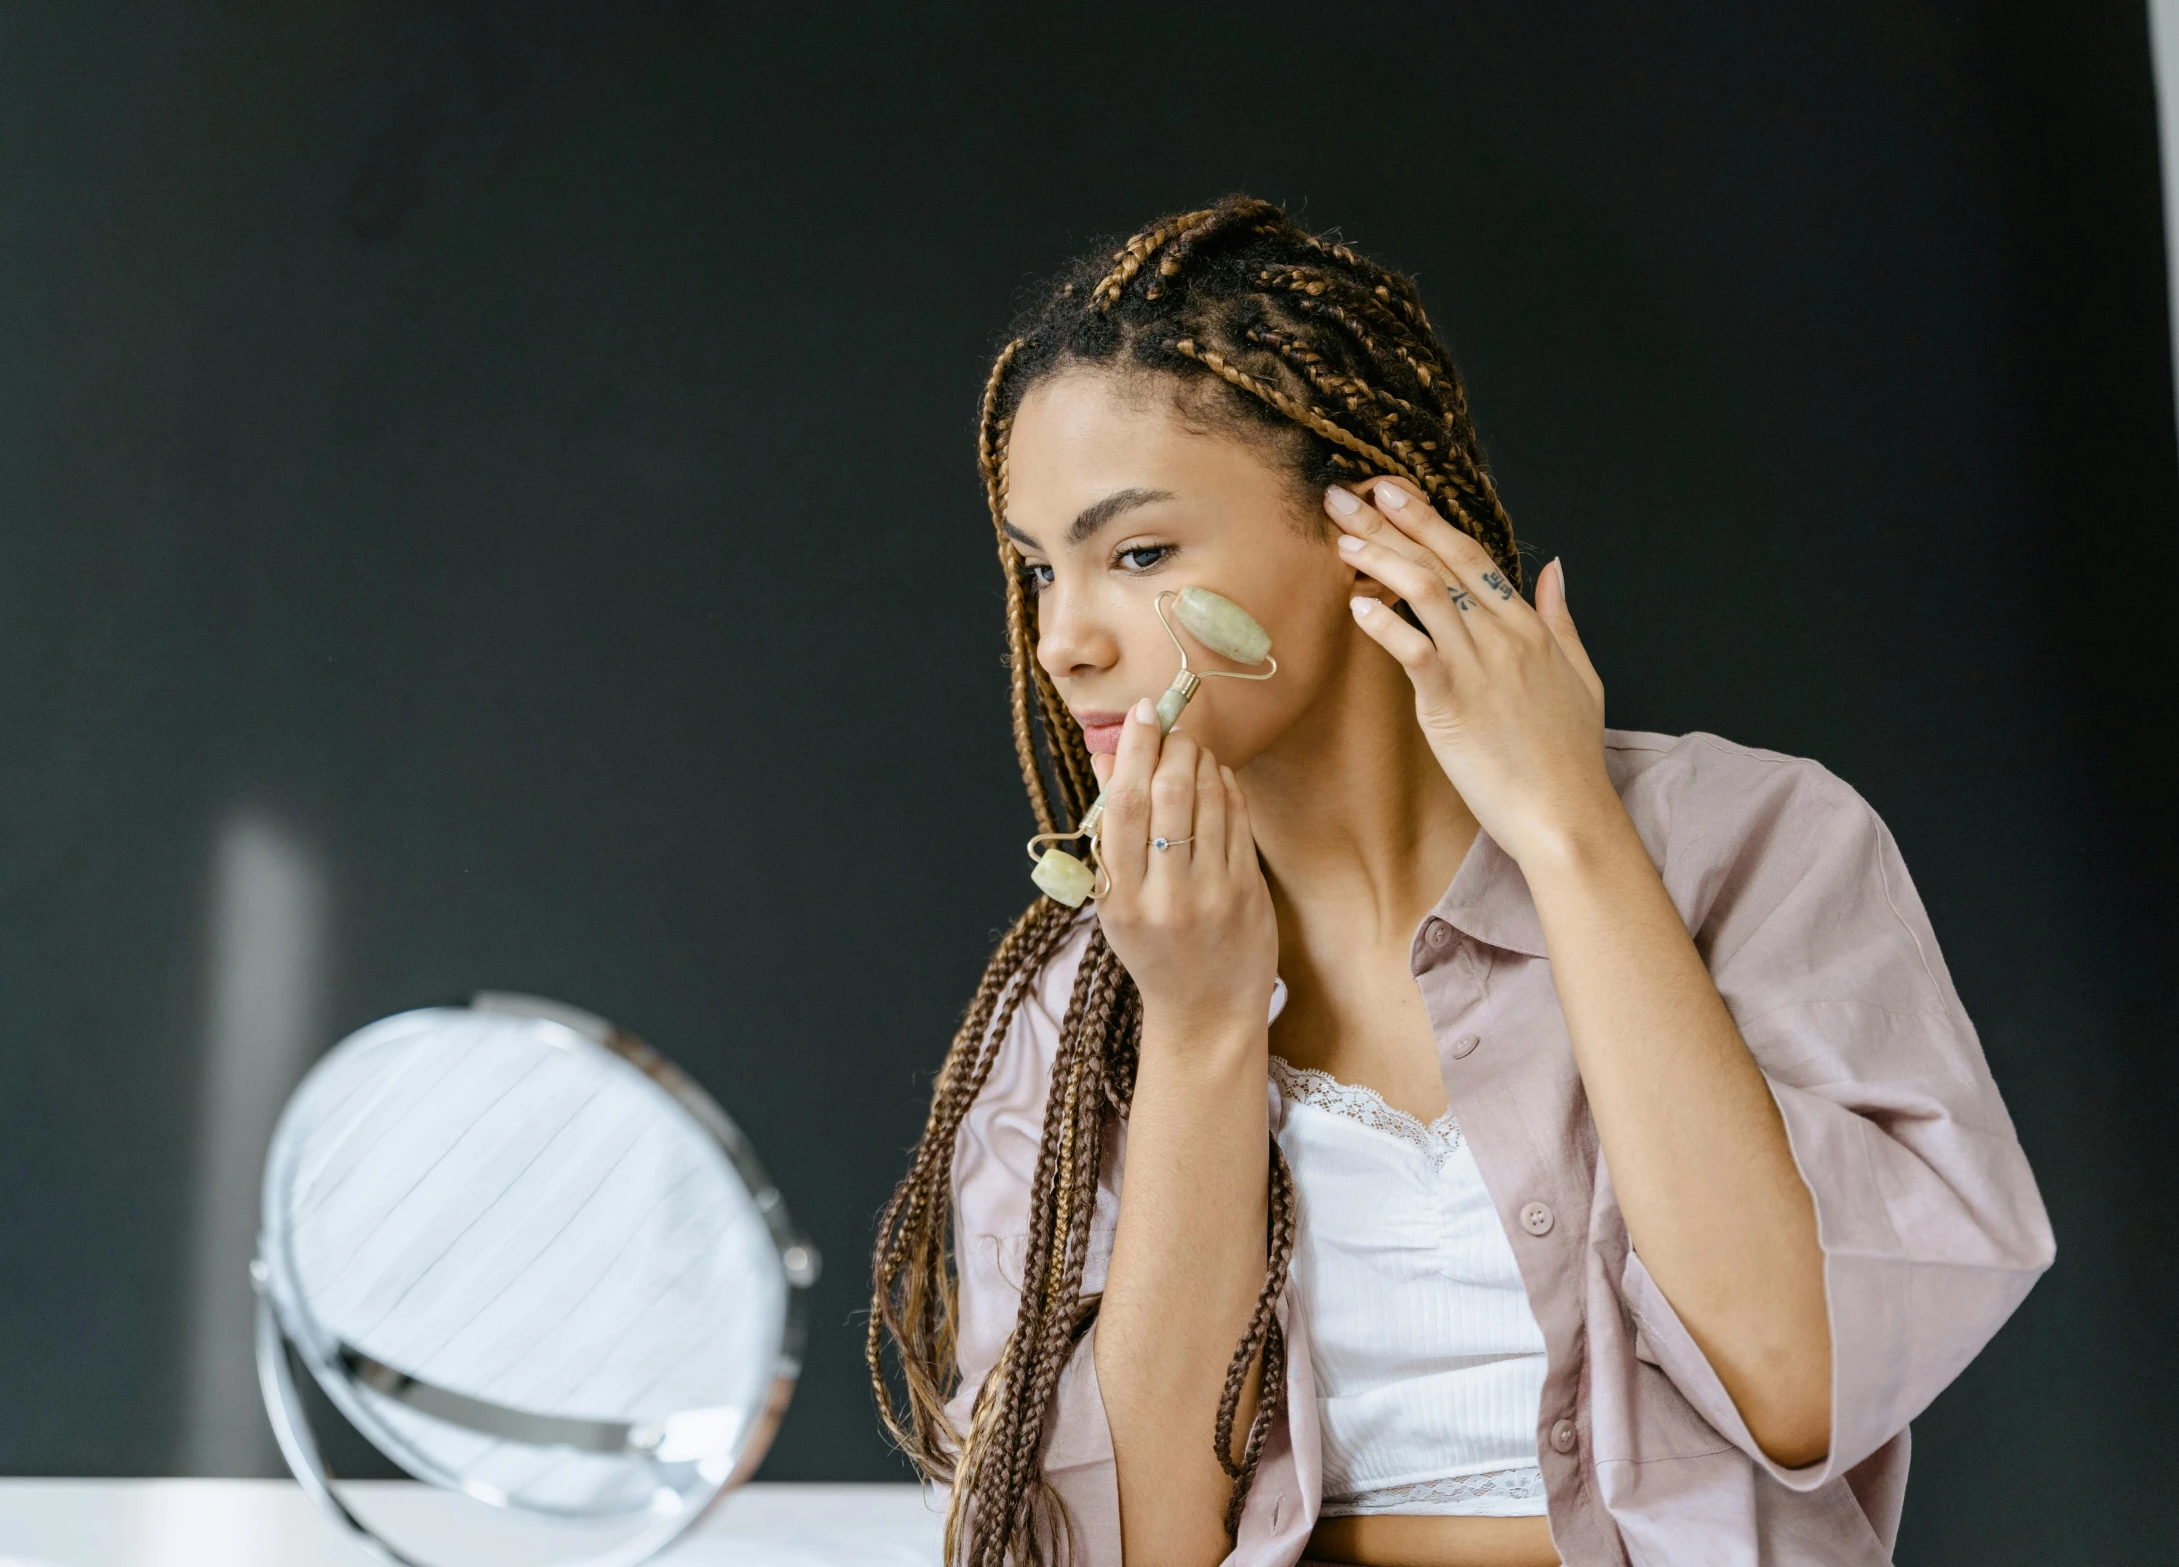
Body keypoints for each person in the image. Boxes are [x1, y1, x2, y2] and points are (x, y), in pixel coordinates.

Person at [867, 195, 2052, 1567]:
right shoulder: (1082, 997)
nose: (1062, 639)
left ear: (1366, 521)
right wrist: (1197, 1031)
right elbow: (1130, 1549)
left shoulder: (1751, 842)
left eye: (1137, 553)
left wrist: (1567, 833)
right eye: (1034, 567)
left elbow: (1798, 1382)